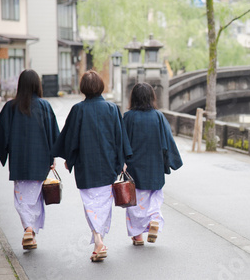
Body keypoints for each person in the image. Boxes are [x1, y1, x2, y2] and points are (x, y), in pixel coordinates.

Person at [52, 70, 132, 262]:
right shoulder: (112, 109)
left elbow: (70, 139)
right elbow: (119, 138)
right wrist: (122, 161)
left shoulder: (78, 110)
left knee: (90, 204)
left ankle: (98, 240)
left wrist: (69, 159)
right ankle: (99, 240)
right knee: (103, 204)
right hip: (108, 165)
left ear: (83, 88)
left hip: (85, 166)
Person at [0, 69, 60, 250]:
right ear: (37, 85)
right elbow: (53, 135)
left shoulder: (11, 107)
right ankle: (30, 230)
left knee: (21, 197)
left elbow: (1, 133)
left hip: (19, 162)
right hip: (40, 161)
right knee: (35, 198)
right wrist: (53, 156)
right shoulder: (45, 106)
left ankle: (29, 230)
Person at [123, 83, 182, 246]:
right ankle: (154, 220)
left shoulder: (128, 117)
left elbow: (122, 142)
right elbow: (168, 141)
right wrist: (173, 162)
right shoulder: (158, 116)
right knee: (154, 198)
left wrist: (120, 162)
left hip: (134, 168)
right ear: (151, 98)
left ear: (133, 98)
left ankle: (138, 236)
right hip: (154, 167)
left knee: (135, 203)